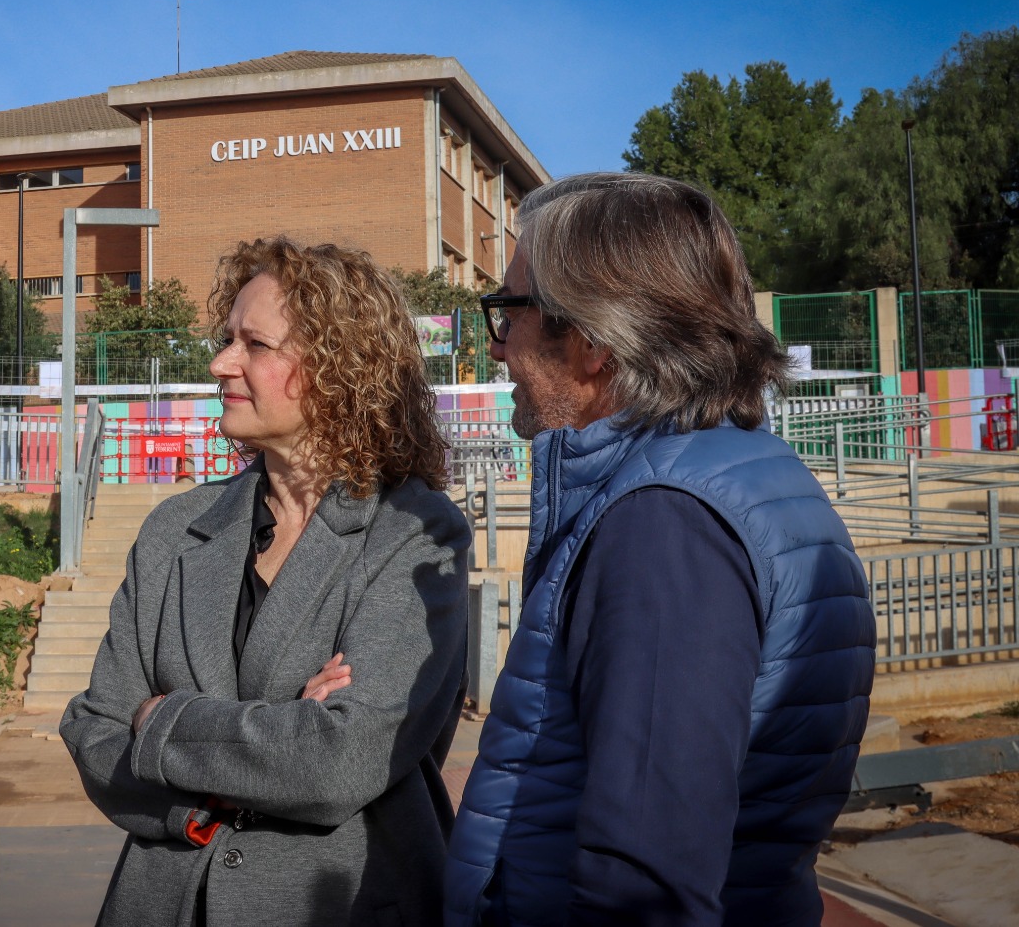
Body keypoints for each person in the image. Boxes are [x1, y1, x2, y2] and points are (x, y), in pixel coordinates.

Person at [444, 172, 876, 926]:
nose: (498, 344)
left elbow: (644, 883)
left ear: (596, 342)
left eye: (509, 311)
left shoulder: (663, 524)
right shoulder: (725, 472)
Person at [60, 237, 470, 926]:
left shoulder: (415, 533)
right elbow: (96, 727)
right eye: (227, 340)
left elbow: (342, 759)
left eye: (255, 344)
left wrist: (161, 720)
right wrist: (205, 798)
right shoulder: (175, 530)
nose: (221, 363)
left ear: (340, 368)